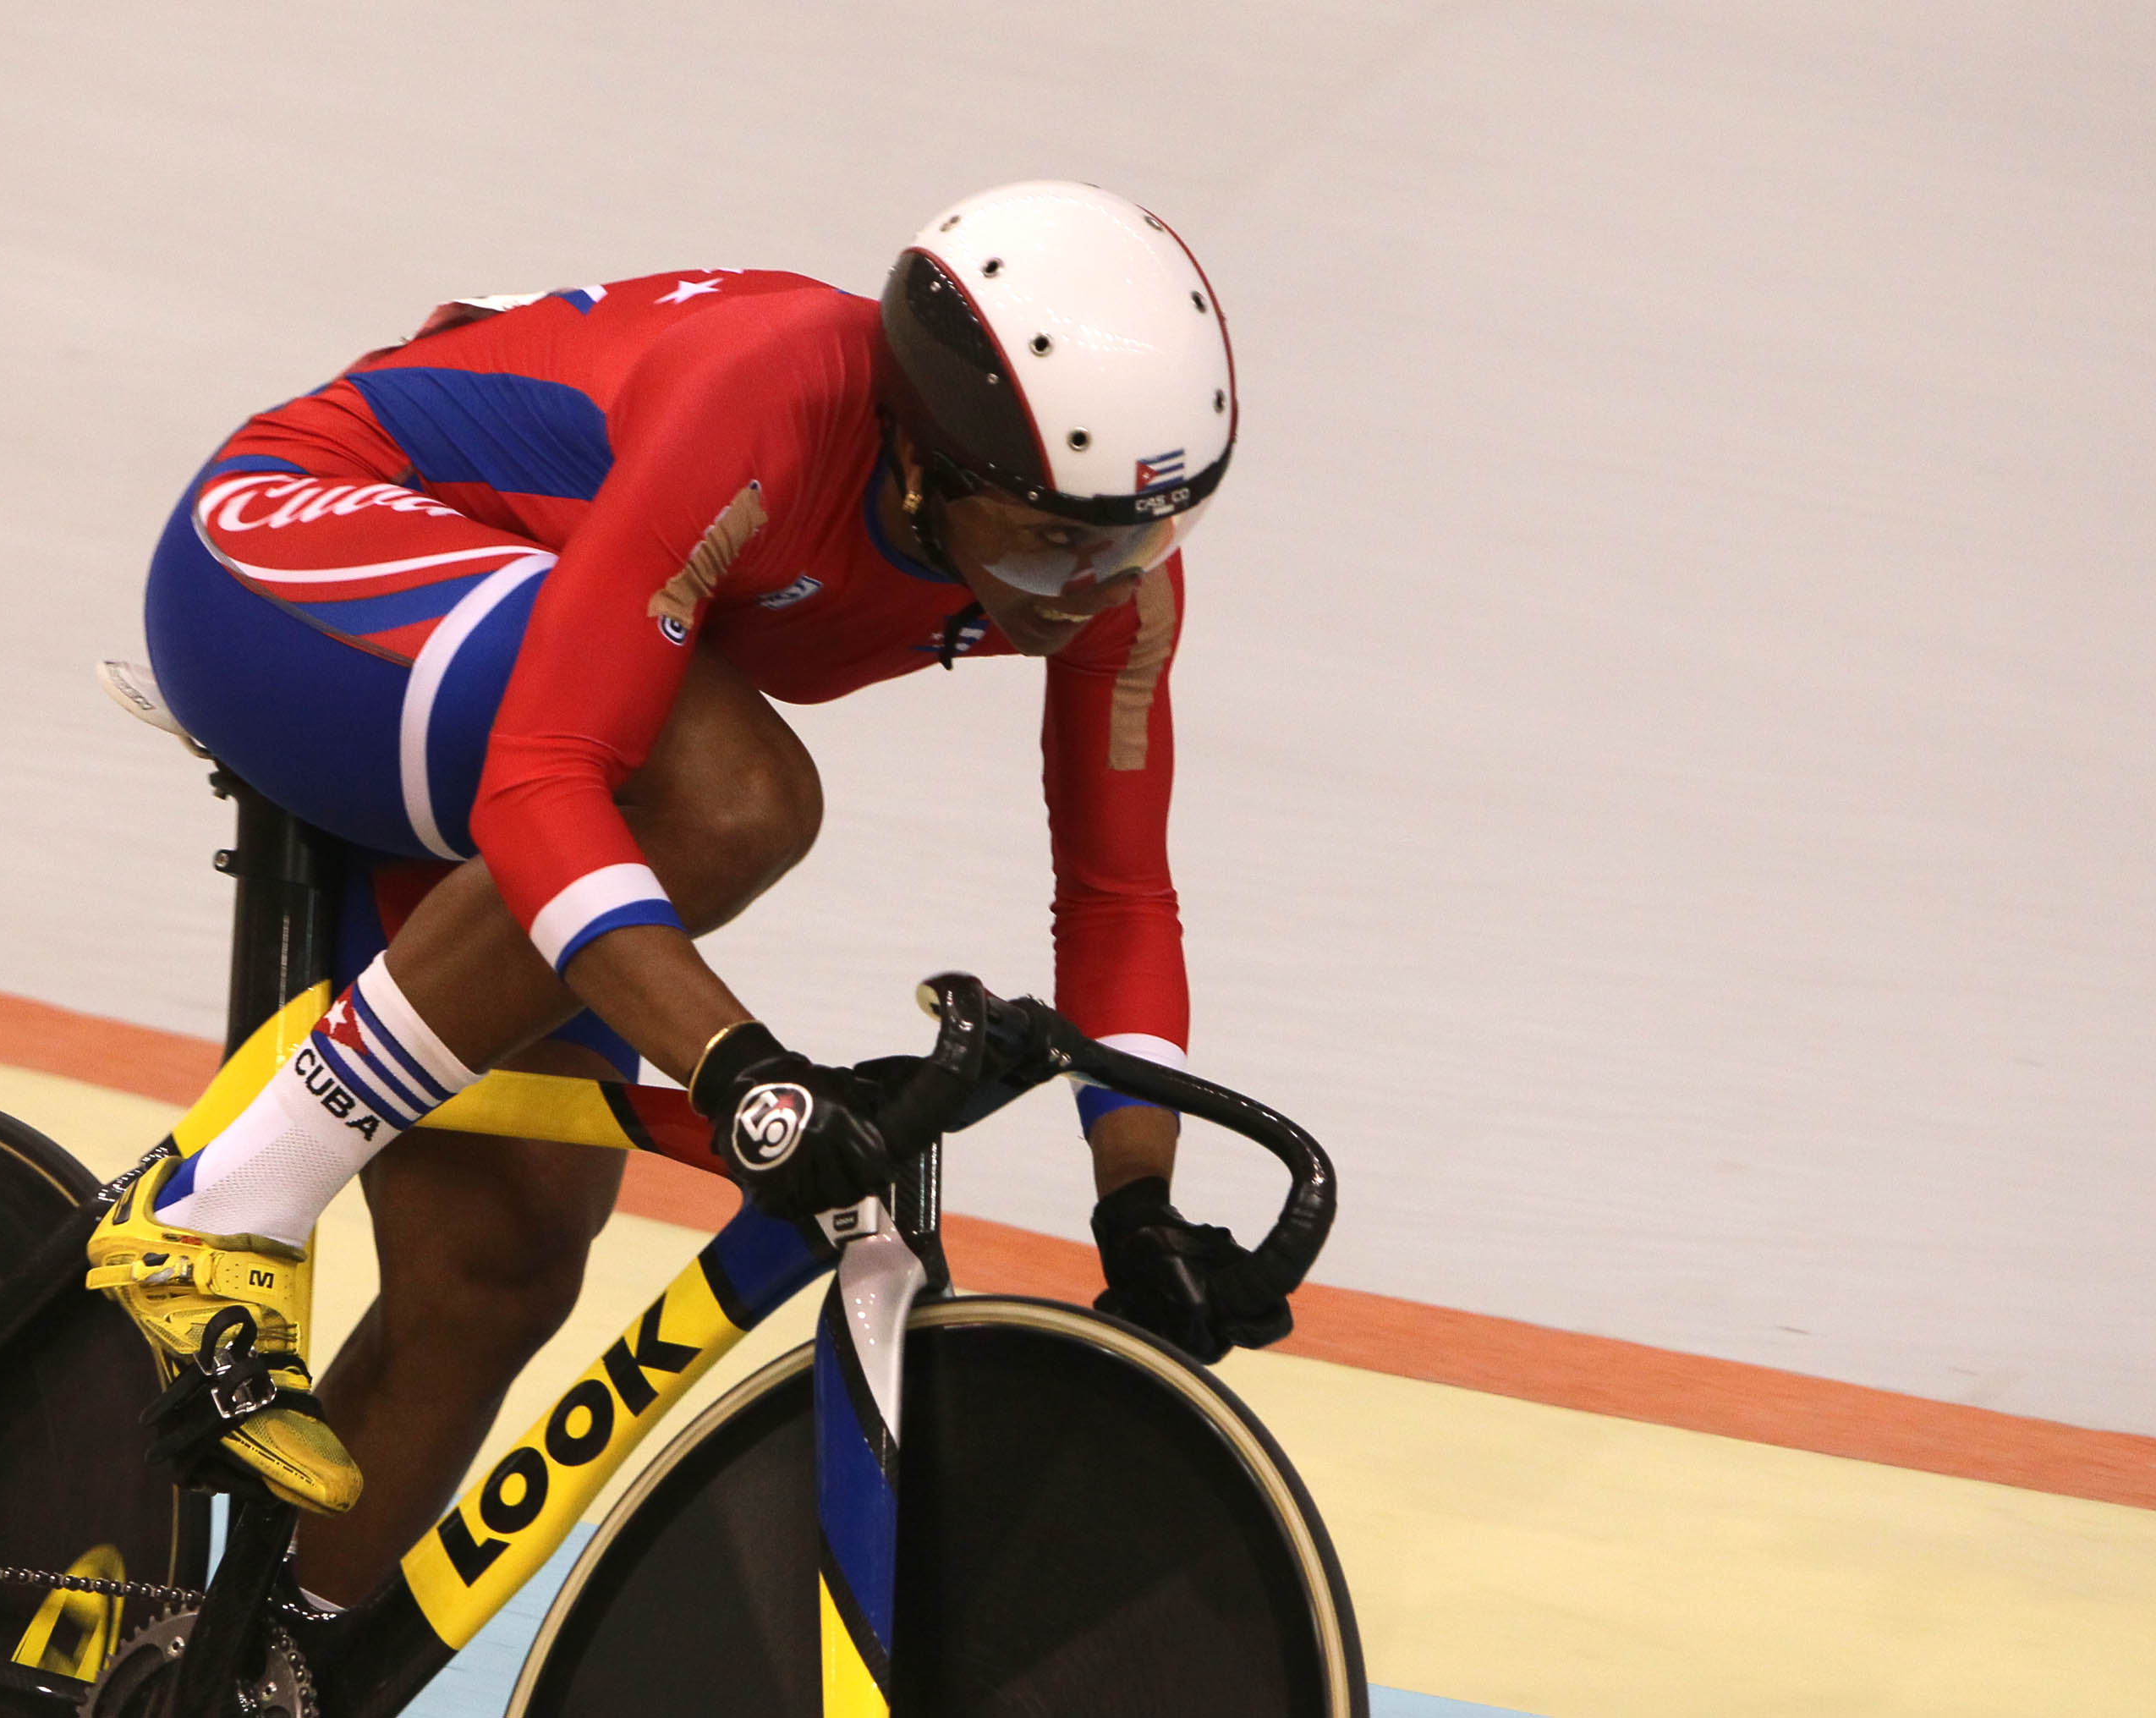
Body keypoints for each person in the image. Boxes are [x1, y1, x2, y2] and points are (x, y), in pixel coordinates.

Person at [85, 180, 1292, 1603]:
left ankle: (241, 1674)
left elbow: (1116, 901)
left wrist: (1135, 1205)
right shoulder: (768, 401)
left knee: (500, 1270)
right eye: (1043, 543)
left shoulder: (1098, 563)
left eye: (1138, 543)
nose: (1086, 592)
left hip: (536, 656)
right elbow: (545, 785)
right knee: (735, 799)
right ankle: (223, 1205)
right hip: (300, 554)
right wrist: (742, 1076)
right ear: (917, 453)